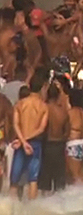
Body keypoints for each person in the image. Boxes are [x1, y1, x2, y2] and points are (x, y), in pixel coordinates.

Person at [10, 72, 49, 200]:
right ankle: (32, 212)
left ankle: (10, 211)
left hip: (20, 144)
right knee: (33, 179)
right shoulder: (43, 106)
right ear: (42, 87)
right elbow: (41, 129)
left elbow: (15, 124)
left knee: (14, 179)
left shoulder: (20, 104)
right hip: (35, 144)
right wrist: (27, 140)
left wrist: (22, 141)